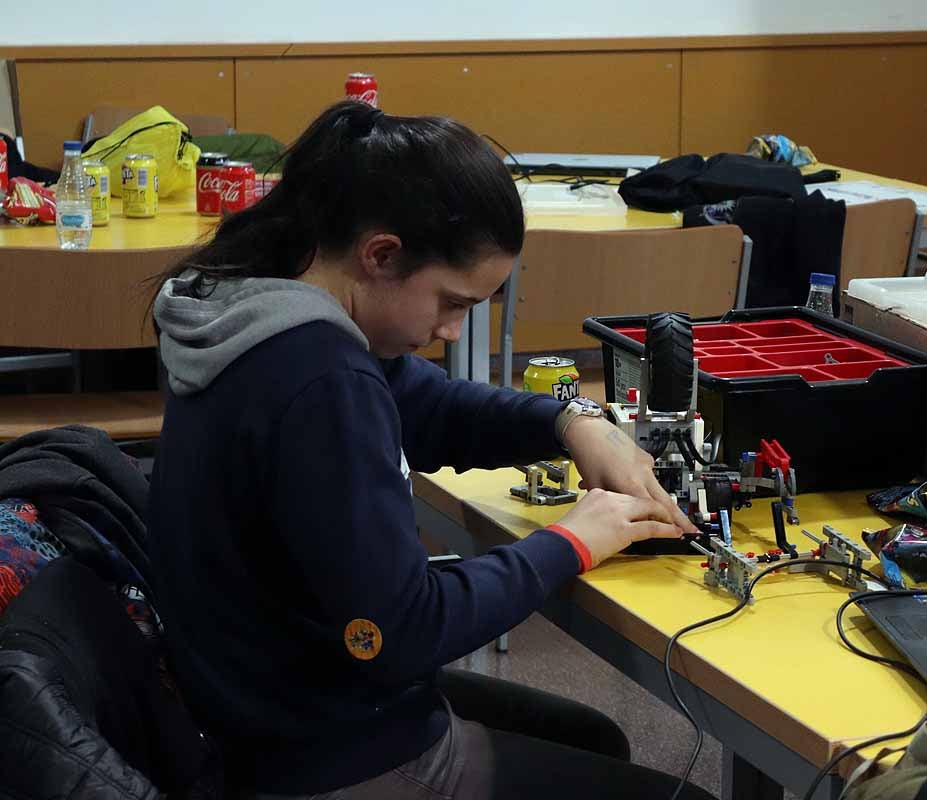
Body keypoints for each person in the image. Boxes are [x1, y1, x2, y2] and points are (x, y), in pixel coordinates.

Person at [146, 100, 714, 800]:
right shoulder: (319, 378)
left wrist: (571, 423)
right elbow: (403, 632)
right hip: (318, 756)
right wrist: (573, 540)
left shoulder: (260, 308)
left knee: (595, 740)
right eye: (452, 302)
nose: (451, 331)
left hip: (263, 704)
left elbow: (427, 403)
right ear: (381, 254)